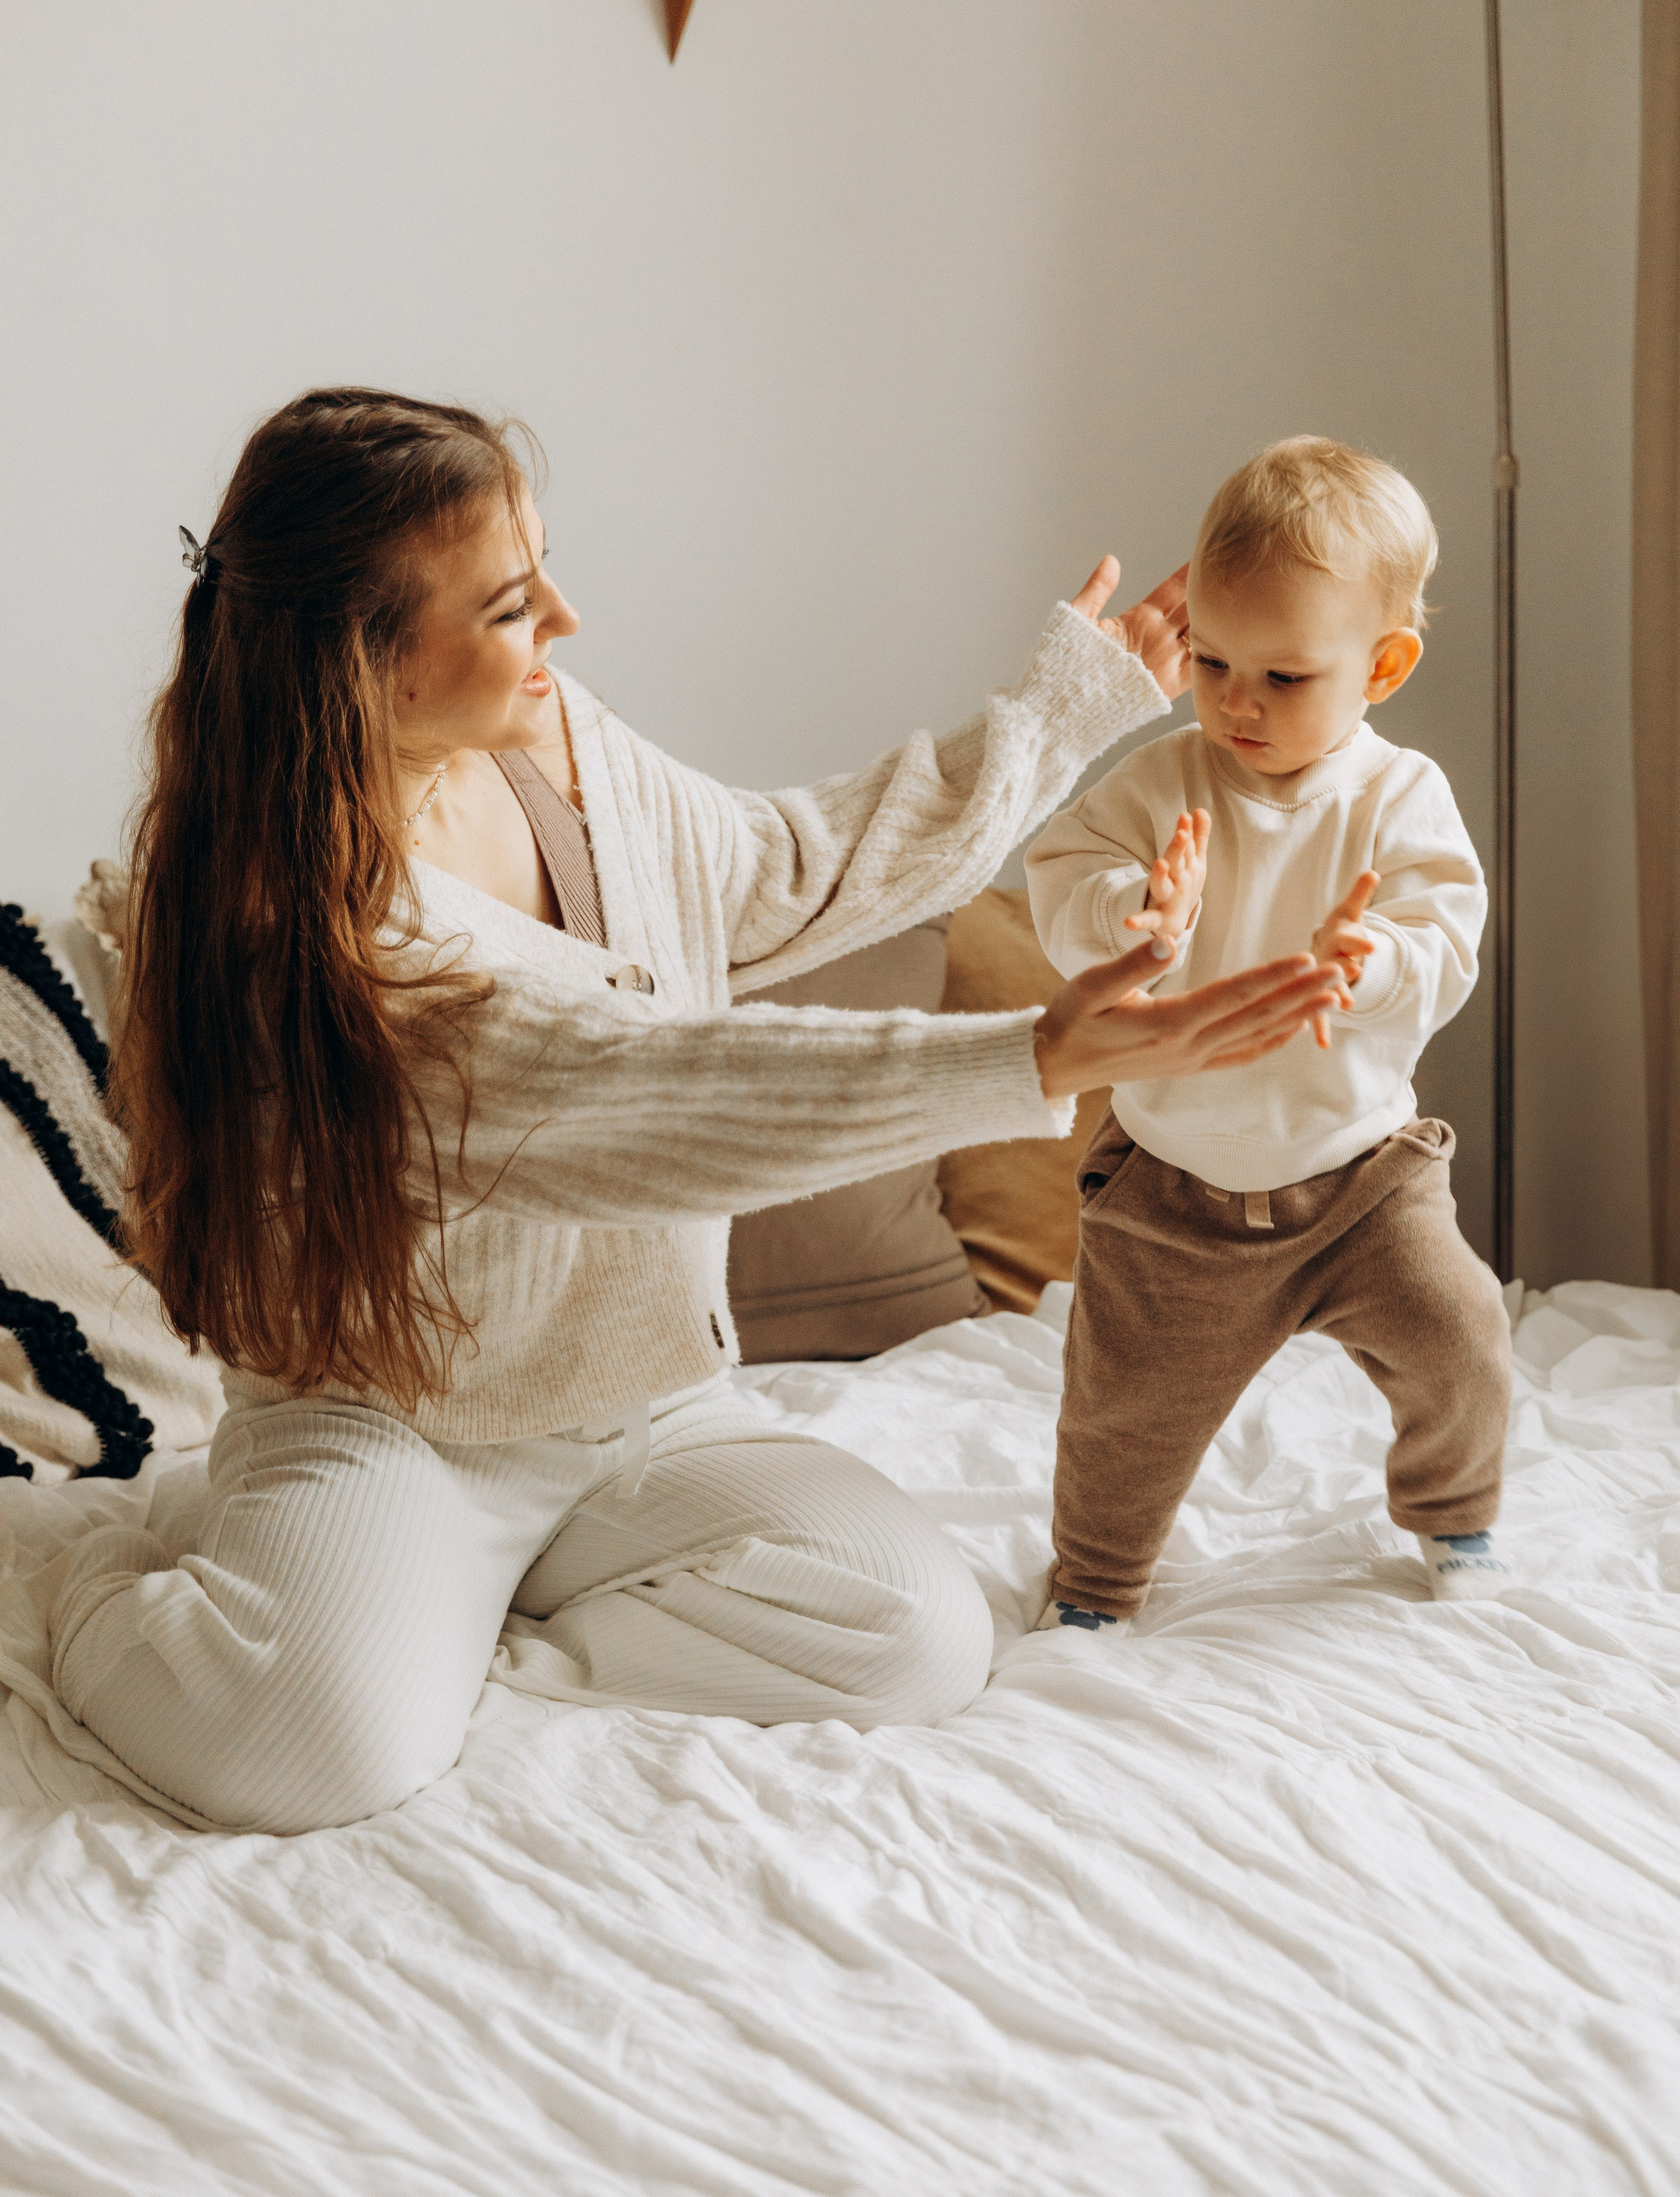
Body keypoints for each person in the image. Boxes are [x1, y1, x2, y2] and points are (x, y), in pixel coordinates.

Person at [48, 389, 1342, 1833]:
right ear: (372, 664)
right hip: (396, 1429)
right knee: (299, 1748)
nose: (566, 620)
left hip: (647, 1410)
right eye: (511, 606)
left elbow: (780, 868)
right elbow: (637, 1090)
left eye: (541, 573)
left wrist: (1060, 718)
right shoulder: (300, 937)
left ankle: (471, 1647)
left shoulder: (554, 738)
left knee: (917, 1637)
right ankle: (155, 1572)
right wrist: (1021, 1059)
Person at [1026, 435, 1513, 1628]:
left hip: (1362, 1180)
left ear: (1382, 666)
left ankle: (1455, 1515)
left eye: (1284, 678)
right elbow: (1060, 874)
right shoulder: (1161, 785)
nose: (1236, 702)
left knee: (1463, 1337)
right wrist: (1133, 910)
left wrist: (1374, 960)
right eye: (1211, 661)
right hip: (1174, 1190)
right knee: (1122, 1412)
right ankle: (1093, 1588)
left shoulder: (1403, 797)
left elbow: (1445, 938)